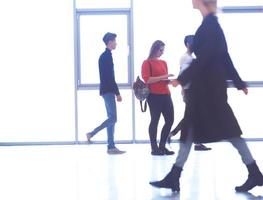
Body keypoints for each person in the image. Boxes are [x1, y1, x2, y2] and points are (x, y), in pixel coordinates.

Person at [150, 0, 263, 192]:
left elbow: (208, 58)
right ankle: (174, 175)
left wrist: (182, 78)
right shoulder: (211, 25)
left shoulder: (210, 27)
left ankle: (255, 173)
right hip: (207, 90)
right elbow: (223, 57)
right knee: (190, 131)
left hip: (209, 92)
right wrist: (238, 81)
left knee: (230, 132)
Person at [168, 35, 211, 151]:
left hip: (193, 90)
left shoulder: (190, 57)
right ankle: (176, 135)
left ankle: (176, 135)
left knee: (193, 116)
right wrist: (184, 89)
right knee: (192, 116)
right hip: (190, 91)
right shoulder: (186, 58)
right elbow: (185, 75)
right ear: (188, 44)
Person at [86, 32, 126, 155]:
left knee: (111, 118)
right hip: (108, 90)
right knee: (113, 118)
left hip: (106, 90)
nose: (116, 43)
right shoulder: (106, 56)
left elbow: (108, 77)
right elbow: (109, 77)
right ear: (109, 42)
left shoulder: (106, 56)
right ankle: (92, 133)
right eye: (114, 41)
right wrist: (117, 93)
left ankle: (111, 146)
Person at [141, 40, 175, 156]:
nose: (162, 52)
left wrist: (169, 81)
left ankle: (162, 146)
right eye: (160, 50)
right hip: (154, 95)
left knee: (170, 120)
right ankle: (154, 148)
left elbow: (162, 80)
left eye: (163, 50)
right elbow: (147, 79)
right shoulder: (147, 63)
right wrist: (163, 77)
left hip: (166, 94)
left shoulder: (164, 63)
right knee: (155, 120)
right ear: (154, 49)